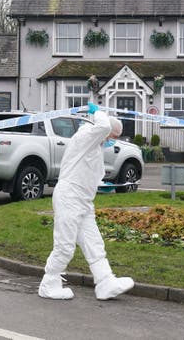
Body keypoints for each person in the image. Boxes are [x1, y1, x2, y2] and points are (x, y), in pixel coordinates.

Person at [38, 103, 135, 300]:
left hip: (84, 202)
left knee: (94, 243)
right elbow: (103, 127)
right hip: (69, 197)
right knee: (65, 245)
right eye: (113, 137)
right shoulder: (85, 136)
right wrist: (97, 111)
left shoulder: (94, 145)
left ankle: (105, 281)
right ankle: (49, 282)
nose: (112, 141)